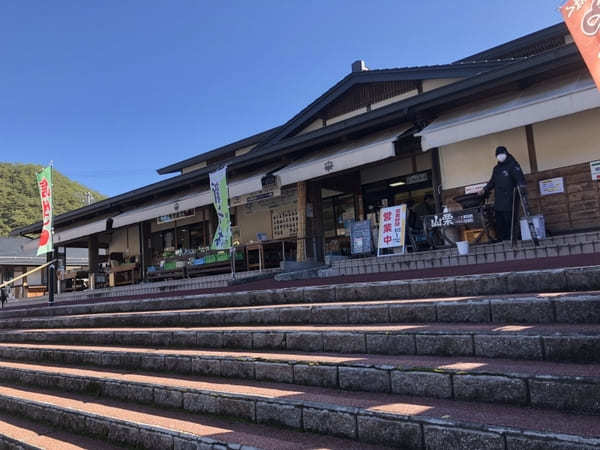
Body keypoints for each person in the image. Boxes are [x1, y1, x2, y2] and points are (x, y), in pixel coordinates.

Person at [481, 146, 527, 241]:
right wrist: (485, 189)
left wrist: (521, 186)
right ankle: (503, 239)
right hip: (499, 199)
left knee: (510, 218)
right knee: (499, 219)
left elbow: (520, 179)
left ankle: (514, 237)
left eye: (501, 154)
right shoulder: (496, 169)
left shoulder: (513, 165)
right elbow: (492, 182)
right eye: (497, 155)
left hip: (511, 197)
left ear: (506, 153)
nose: (500, 156)